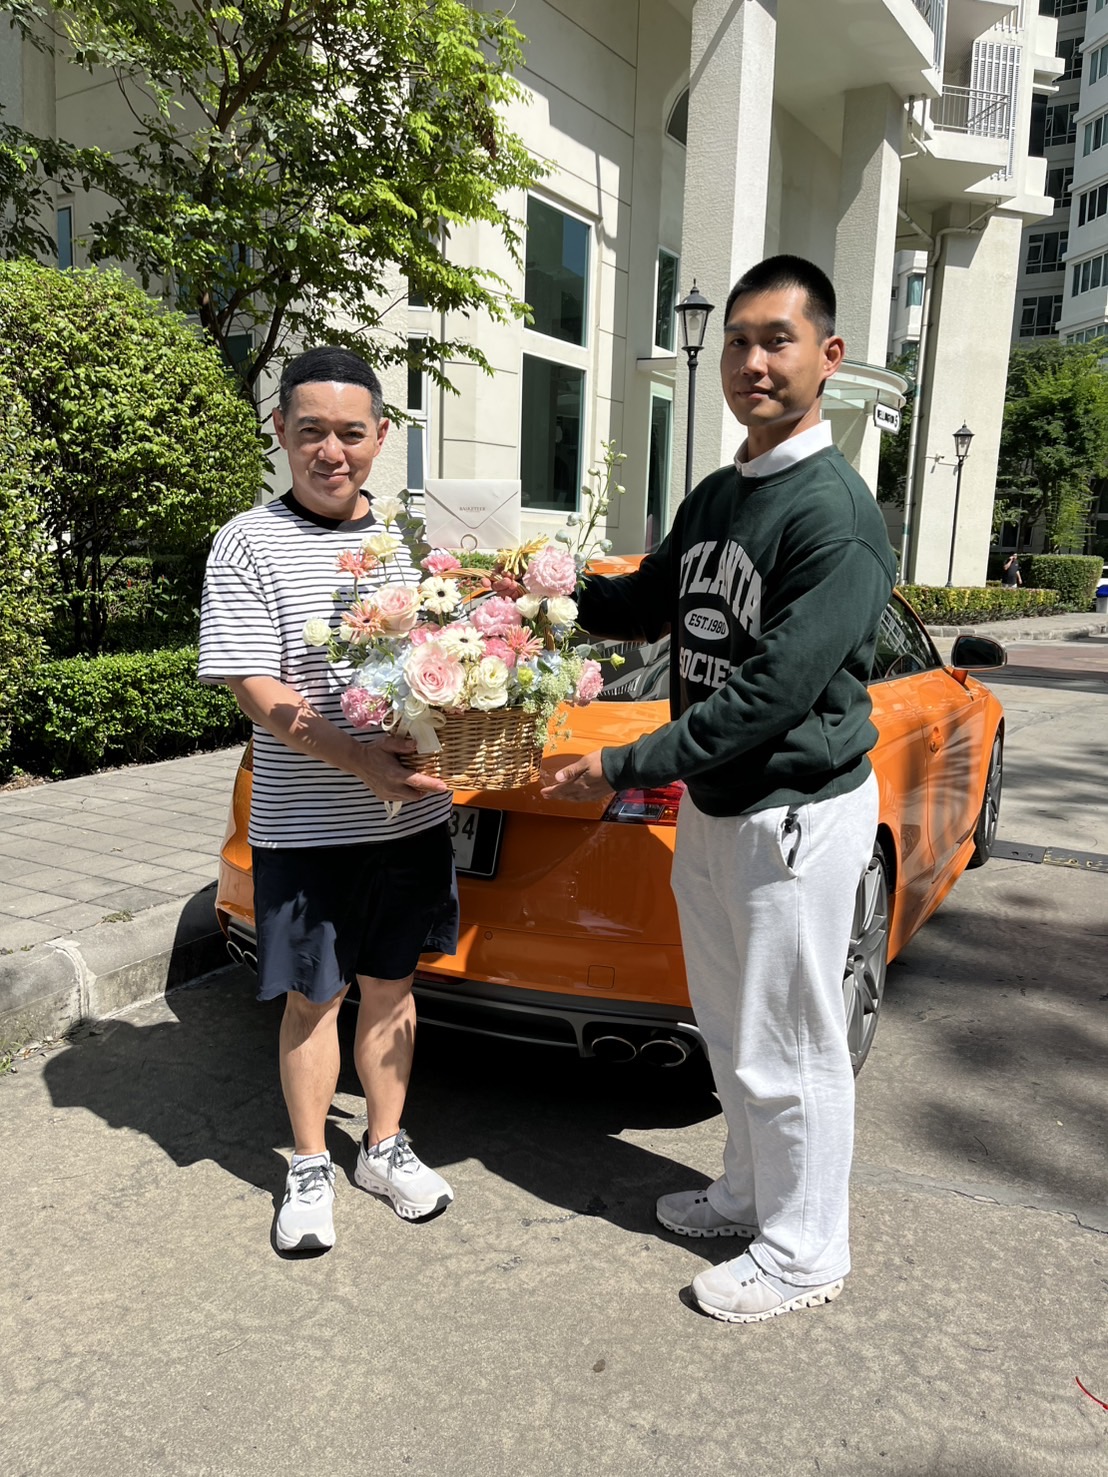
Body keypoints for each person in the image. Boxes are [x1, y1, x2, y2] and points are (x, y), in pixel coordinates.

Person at [543, 256, 897, 1323]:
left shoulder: (834, 515)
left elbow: (773, 695)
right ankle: (748, 1190)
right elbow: (649, 601)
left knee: (794, 1037)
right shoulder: (719, 492)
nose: (749, 359)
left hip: (793, 811)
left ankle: (804, 1250)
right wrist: (542, 596)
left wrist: (617, 764)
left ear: (826, 358)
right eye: (738, 339)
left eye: (775, 339)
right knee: (732, 1024)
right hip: (717, 806)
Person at [199, 346, 457, 1254]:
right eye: (311, 430)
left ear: (382, 437)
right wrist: (358, 759)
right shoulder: (246, 542)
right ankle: (310, 1162)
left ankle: (383, 1146)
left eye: (351, 431)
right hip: (306, 826)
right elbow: (257, 692)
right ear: (281, 433)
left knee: (392, 990)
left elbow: (454, 661)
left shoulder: (412, 543)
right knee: (315, 997)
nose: (331, 450)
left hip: (413, 821)